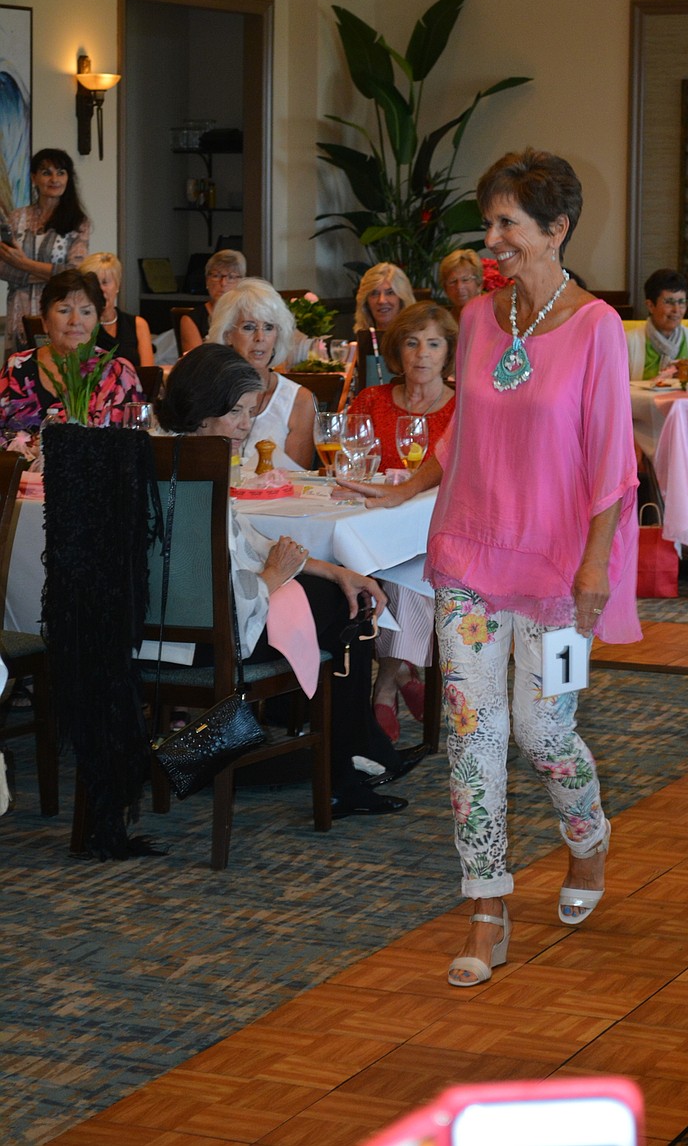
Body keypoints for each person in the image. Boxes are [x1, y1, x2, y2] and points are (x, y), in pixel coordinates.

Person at [342, 149, 640, 986]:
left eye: (509, 224)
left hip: (558, 572)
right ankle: (486, 905)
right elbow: (459, 433)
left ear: (557, 229)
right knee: (472, 736)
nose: (492, 239)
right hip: (470, 553)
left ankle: (587, 836)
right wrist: (401, 483)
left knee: (545, 732)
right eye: (492, 221)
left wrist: (592, 570)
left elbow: (613, 461)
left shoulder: (596, 329)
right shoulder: (478, 321)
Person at [154, 344, 427, 816]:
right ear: (201, 412)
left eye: (249, 411)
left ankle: (356, 754)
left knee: (342, 595)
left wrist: (331, 569)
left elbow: (242, 540)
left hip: (167, 635)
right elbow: (222, 589)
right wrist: (273, 577)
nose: (246, 424)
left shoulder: (173, 460)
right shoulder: (203, 470)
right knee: (350, 610)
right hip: (209, 640)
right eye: (236, 412)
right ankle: (346, 769)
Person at [348, 301, 457, 738]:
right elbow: (350, 464)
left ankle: (384, 688)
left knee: (407, 572)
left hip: (436, 531)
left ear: (448, 353)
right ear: (398, 350)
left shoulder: (462, 408)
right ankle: (404, 676)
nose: (422, 354)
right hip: (372, 526)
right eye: (412, 343)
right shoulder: (372, 400)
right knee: (381, 568)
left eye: (434, 344)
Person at [0, 269, 143, 437]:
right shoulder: (16, 367)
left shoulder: (118, 373)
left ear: (98, 321)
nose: (75, 321)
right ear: (45, 321)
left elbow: (132, 446)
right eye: (64, 311)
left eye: (86, 312)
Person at [207, 278, 315, 472]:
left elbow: (297, 480)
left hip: (276, 501)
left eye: (269, 327)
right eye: (249, 327)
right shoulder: (207, 389)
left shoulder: (300, 400)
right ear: (227, 334)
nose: (260, 338)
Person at [0, 149, 91, 355]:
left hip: (61, 314)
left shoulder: (78, 222)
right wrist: (50, 273)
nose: (54, 179)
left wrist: (23, 264)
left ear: (68, 178)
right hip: (19, 314)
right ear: (34, 178)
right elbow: (3, 267)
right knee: (19, 376)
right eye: (46, 172)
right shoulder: (16, 218)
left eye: (60, 172)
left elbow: (74, 272)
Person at [625, 269, 688, 379]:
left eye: (681, 302)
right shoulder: (628, 342)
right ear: (650, 306)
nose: (676, 310)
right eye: (669, 302)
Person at [79, 252, 155, 369]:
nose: (100, 290)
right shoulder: (80, 326)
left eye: (105, 282)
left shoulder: (138, 325)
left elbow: (148, 375)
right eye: (94, 284)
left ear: (117, 285)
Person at [180, 249, 246, 353]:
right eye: (216, 276)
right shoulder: (191, 319)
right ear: (207, 281)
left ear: (241, 282)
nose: (223, 283)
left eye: (231, 277)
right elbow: (196, 363)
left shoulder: (249, 314)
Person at [352, 263, 415, 333]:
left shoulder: (418, 338)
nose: (382, 300)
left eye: (390, 293)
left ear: (402, 299)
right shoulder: (361, 339)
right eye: (374, 294)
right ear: (366, 303)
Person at [439, 249, 483, 315]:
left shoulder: (493, 317)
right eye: (453, 281)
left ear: (479, 285)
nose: (459, 287)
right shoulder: (445, 322)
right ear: (445, 289)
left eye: (465, 280)